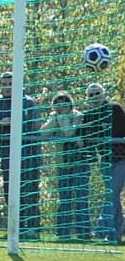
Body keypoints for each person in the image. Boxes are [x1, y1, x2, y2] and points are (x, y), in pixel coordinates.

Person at [0, 71, 41, 238]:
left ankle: (32, 228)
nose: (7, 87)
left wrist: (20, 124)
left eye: (11, 84)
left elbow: (36, 127)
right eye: (4, 84)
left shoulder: (29, 102)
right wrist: (0, 124)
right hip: (7, 156)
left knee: (30, 190)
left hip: (29, 154)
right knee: (10, 190)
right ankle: (14, 227)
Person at [40, 92, 90, 240]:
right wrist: (55, 118)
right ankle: (62, 234)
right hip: (63, 165)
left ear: (70, 105)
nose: (61, 108)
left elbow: (68, 132)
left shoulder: (78, 116)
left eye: (64, 105)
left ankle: (84, 234)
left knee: (81, 199)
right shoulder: (54, 117)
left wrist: (60, 118)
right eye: (58, 106)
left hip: (80, 164)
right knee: (64, 200)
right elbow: (43, 133)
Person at [81, 83, 125, 242]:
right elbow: (86, 136)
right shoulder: (88, 115)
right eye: (90, 94)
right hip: (105, 161)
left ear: (104, 94)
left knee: (111, 193)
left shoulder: (115, 109)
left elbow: (114, 133)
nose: (94, 97)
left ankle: (100, 230)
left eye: (97, 93)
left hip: (122, 159)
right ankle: (116, 235)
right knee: (113, 197)